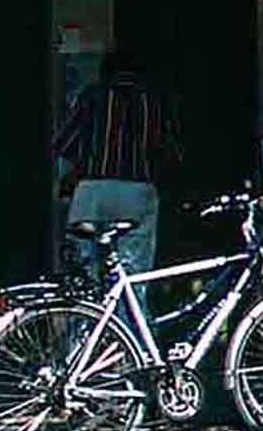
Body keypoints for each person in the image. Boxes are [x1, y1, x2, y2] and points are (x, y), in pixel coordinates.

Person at [57, 58, 176, 275]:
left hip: (92, 189)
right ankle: (126, 308)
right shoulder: (153, 100)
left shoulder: (91, 96)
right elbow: (169, 150)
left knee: (86, 265)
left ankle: (90, 308)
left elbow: (65, 145)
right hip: (137, 188)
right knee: (133, 267)